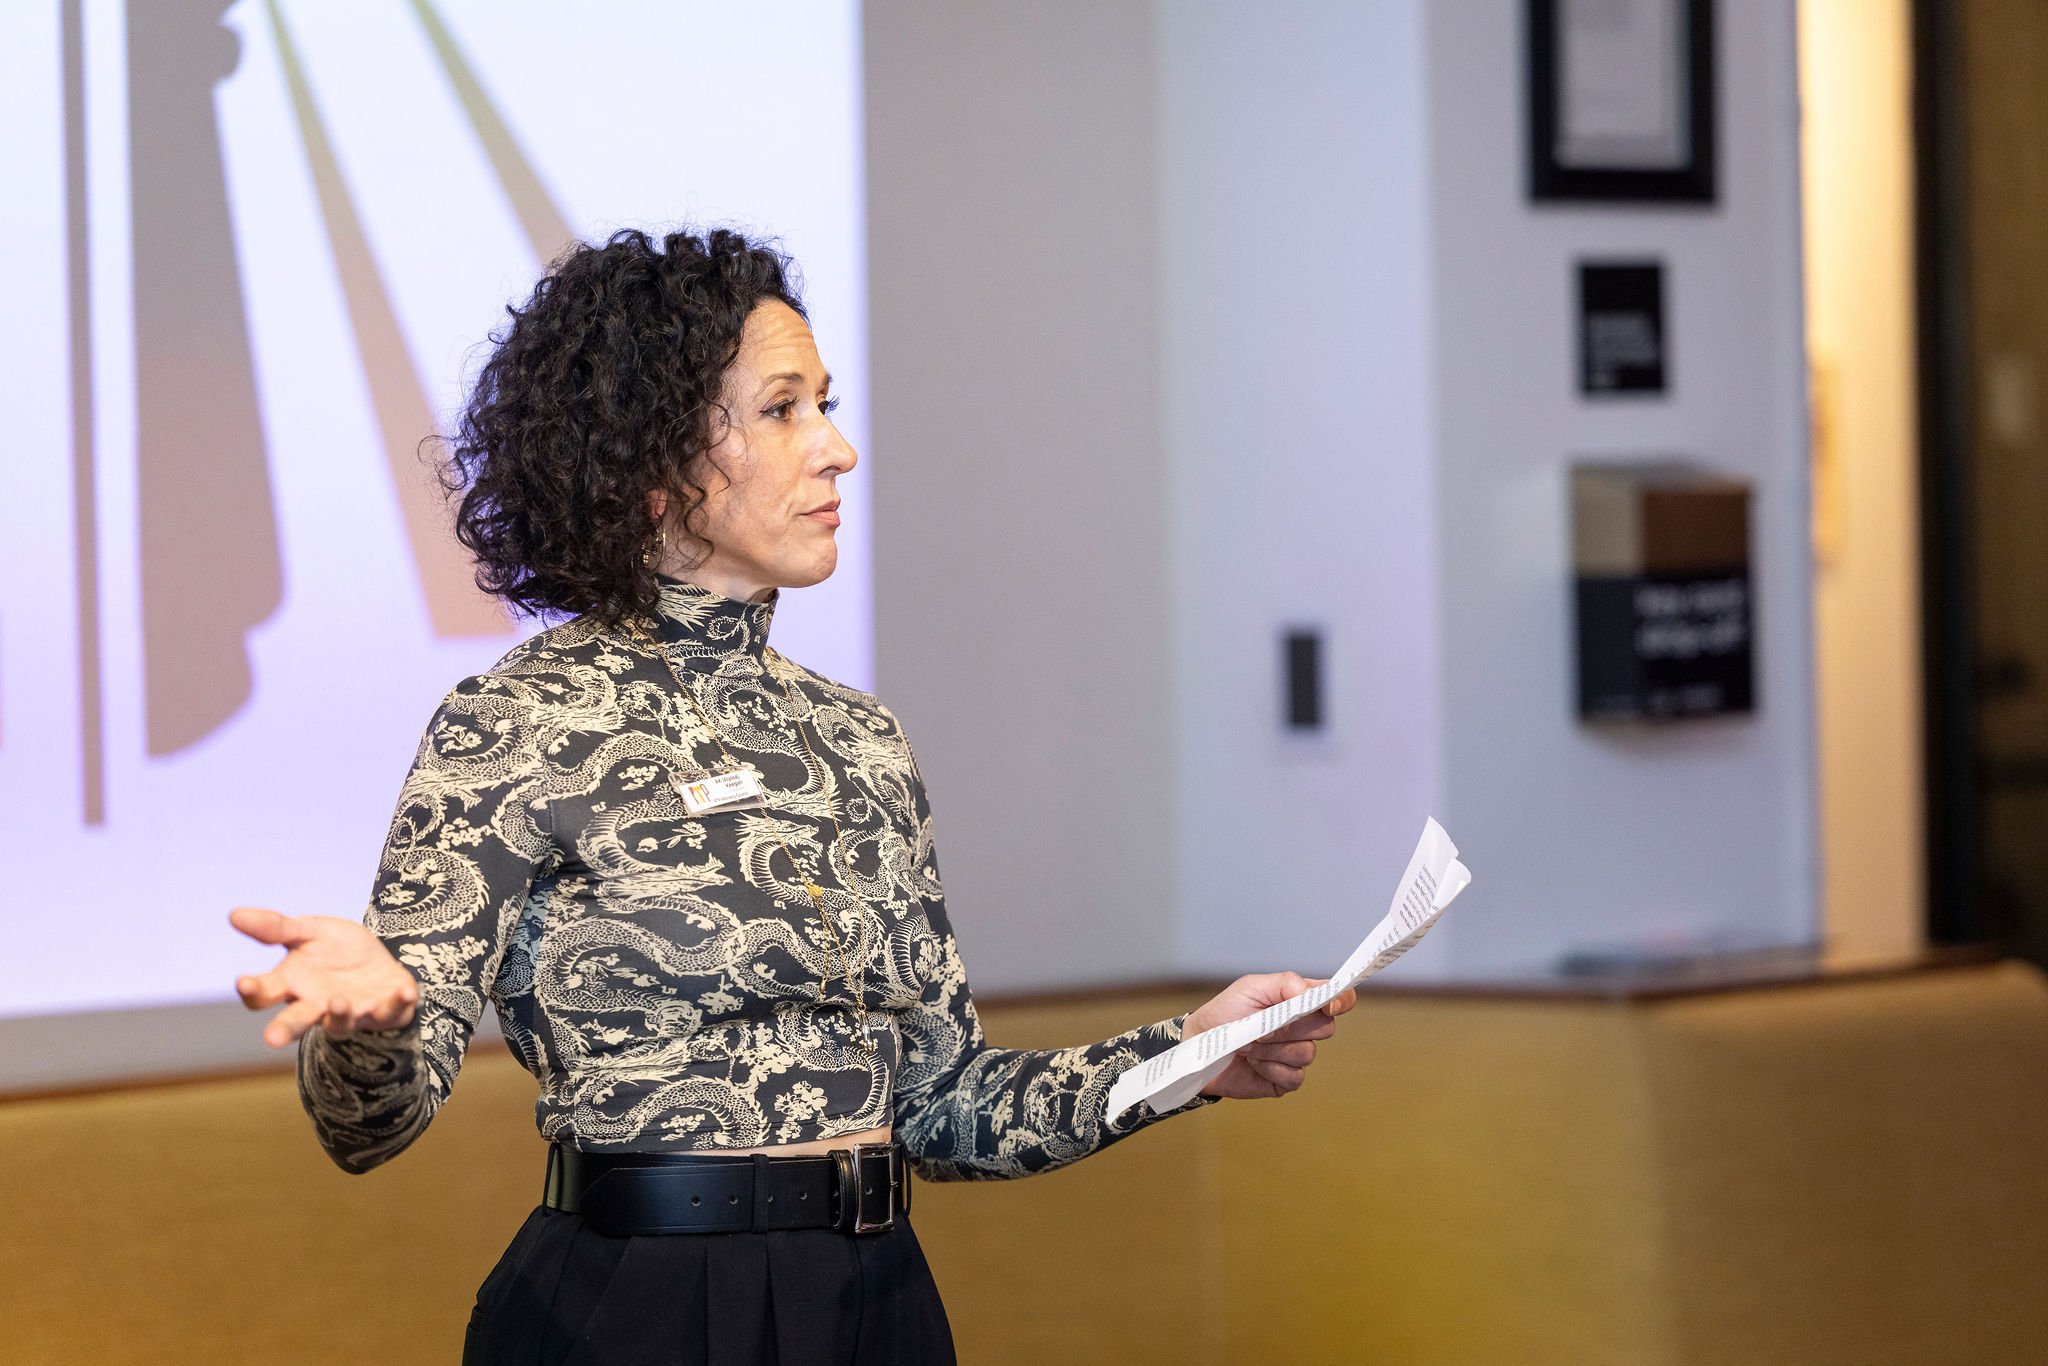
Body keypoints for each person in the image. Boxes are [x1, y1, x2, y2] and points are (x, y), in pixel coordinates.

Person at [229, 226, 1357, 1365]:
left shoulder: (861, 737)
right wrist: (374, 1026)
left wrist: (1188, 1058)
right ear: (653, 456)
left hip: (877, 1303)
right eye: (783, 410)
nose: (838, 449)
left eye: (825, 403)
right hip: (636, 1310)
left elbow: (942, 1105)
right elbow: (368, 1127)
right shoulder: (513, 722)